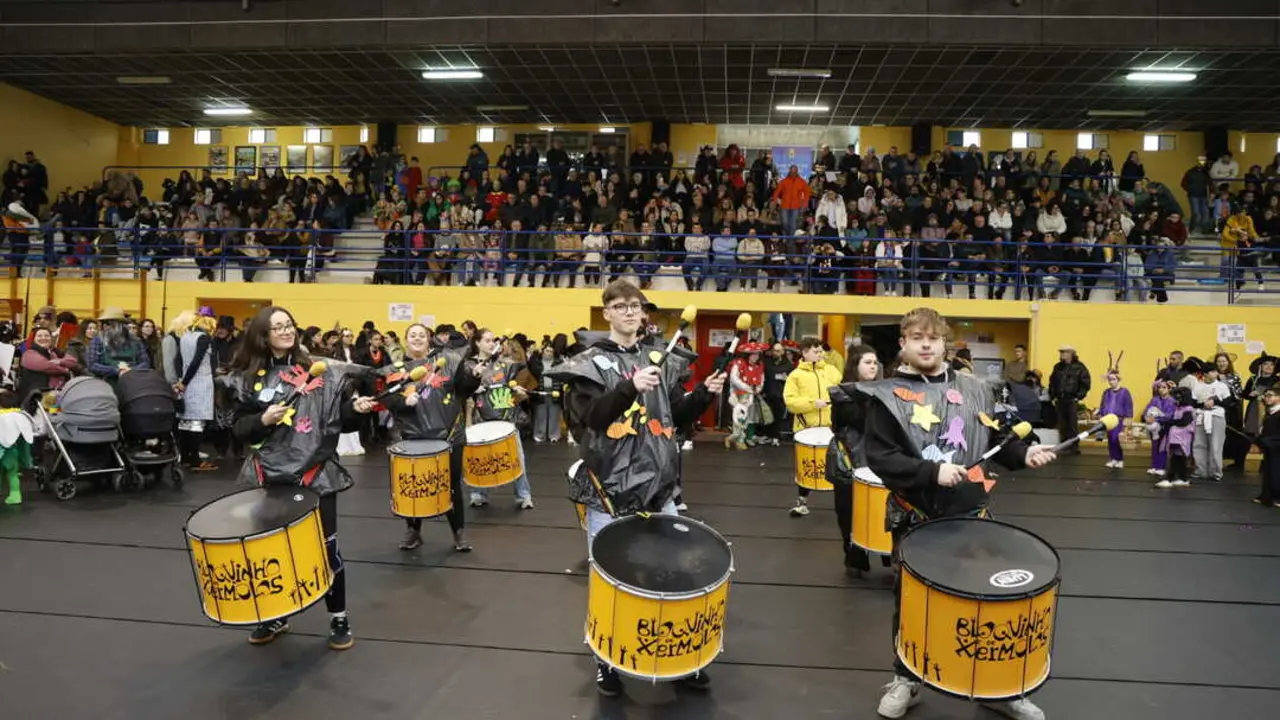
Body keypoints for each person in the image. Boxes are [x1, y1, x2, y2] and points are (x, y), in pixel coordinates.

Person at [859, 308, 1057, 720]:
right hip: (915, 515)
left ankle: (996, 685)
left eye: (933, 337)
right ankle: (907, 677)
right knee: (912, 602)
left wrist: (1026, 452)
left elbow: (1001, 441)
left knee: (984, 599)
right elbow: (881, 457)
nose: (926, 344)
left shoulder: (977, 390)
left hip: (971, 513)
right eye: (917, 337)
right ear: (904, 344)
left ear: (945, 342)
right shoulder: (884, 396)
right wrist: (932, 472)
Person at [547, 279, 725, 698]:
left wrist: (701, 396)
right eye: (621, 305)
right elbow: (592, 419)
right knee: (610, 579)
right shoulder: (588, 363)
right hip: (608, 488)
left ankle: (678, 659)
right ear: (606, 312)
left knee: (674, 574)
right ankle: (606, 661)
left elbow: (672, 417)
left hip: (661, 487)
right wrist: (629, 386)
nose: (630, 312)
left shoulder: (657, 357)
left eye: (636, 306)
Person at [229, 306, 377, 651]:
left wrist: (353, 411)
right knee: (272, 551)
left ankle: (338, 617)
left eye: (289, 325)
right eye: (277, 327)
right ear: (263, 335)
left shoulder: (316, 370)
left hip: (316, 474)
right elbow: (238, 428)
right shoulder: (248, 377)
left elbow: (337, 420)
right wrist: (263, 419)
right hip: (268, 476)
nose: (285, 331)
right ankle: (276, 614)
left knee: (327, 550)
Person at [380, 322, 478, 552]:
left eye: (421, 335)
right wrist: (404, 402)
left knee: (452, 485)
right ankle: (413, 531)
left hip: (450, 436)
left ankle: (459, 532)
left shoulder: (446, 363)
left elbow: (463, 389)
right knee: (414, 486)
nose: (417, 339)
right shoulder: (396, 369)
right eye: (412, 335)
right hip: (413, 439)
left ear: (429, 339)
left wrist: (473, 377)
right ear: (406, 340)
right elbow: (388, 399)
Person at [826, 344, 891, 575]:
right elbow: (861, 421)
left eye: (875, 362)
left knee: (884, 508)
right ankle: (854, 557)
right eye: (867, 362)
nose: (873, 366)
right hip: (851, 459)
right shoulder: (842, 393)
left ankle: (885, 553)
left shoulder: (884, 390)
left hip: (878, 459)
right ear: (855, 366)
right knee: (848, 511)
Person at [463, 328, 534, 509]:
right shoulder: (468, 366)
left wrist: (516, 389)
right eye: (487, 340)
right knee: (481, 459)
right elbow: (461, 390)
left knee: (517, 457)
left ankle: (523, 495)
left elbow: (513, 380)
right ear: (477, 343)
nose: (492, 343)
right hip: (481, 419)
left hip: (506, 419)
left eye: (493, 340)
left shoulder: (504, 364)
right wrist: (472, 386)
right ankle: (478, 493)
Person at [782, 336, 842, 516]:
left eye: (821, 350)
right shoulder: (795, 376)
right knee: (806, 466)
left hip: (830, 429)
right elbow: (790, 402)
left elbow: (841, 390)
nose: (820, 354)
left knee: (838, 467)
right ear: (805, 352)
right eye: (816, 351)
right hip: (806, 429)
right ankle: (802, 502)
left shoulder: (832, 371)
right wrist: (812, 403)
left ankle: (842, 505)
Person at [1252, 386, 1280, 507]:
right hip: (1269, 447)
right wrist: (1259, 441)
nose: (1266, 398)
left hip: (1277, 447)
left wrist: (1266, 441)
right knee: (1268, 472)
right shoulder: (1269, 413)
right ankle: (1267, 496)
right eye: (1266, 395)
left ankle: (1277, 497)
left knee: (1276, 472)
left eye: (1270, 395)